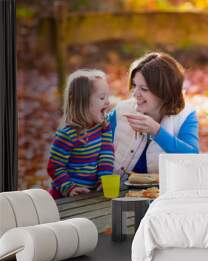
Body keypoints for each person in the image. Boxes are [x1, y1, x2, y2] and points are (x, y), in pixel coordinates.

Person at [109, 52, 199, 180]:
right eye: (135, 86)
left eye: (144, 89)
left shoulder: (185, 117)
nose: (135, 94)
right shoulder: (120, 112)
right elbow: (95, 149)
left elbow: (194, 159)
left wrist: (157, 131)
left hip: (164, 196)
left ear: (165, 92)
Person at [47, 69, 114, 199]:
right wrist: (70, 187)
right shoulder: (68, 134)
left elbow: (106, 154)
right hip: (65, 197)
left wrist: (103, 180)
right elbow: (54, 166)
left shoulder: (103, 127)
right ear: (82, 102)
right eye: (102, 97)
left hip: (89, 195)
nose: (107, 102)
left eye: (107, 97)